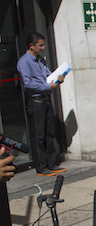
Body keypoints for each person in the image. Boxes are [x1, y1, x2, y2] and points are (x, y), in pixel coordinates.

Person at [16, 32, 66, 177]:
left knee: (49, 133)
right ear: (31, 46)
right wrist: (48, 87)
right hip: (36, 101)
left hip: (46, 99)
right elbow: (28, 84)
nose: (43, 47)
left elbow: (48, 75)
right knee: (39, 135)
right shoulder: (24, 62)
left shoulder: (40, 60)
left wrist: (58, 78)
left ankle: (51, 164)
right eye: (40, 45)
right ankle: (41, 167)